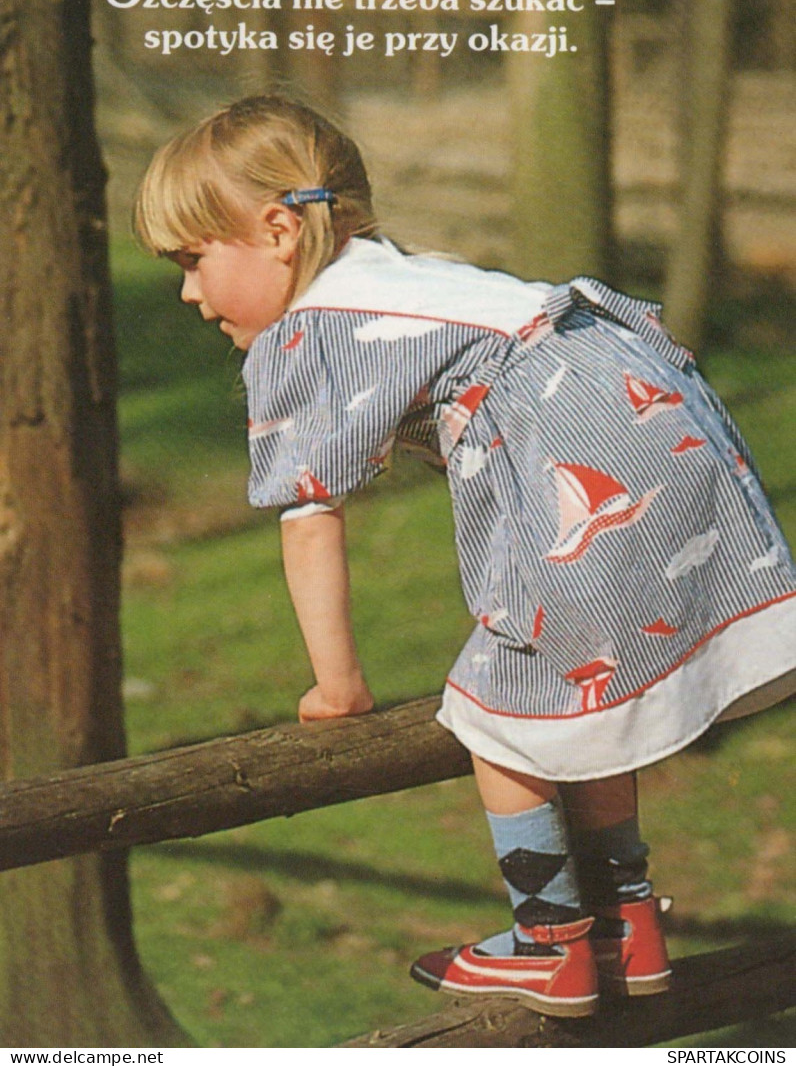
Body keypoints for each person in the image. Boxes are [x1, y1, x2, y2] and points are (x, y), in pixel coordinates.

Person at [135, 94, 796, 1019]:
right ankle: (627, 922)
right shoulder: (407, 277)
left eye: (193, 259)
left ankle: (551, 942)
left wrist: (338, 685)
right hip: (651, 399)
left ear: (277, 230)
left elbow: (306, 512)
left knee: (497, 696)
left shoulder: (308, 328)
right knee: (584, 677)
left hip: (574, 433)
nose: (189, 294)